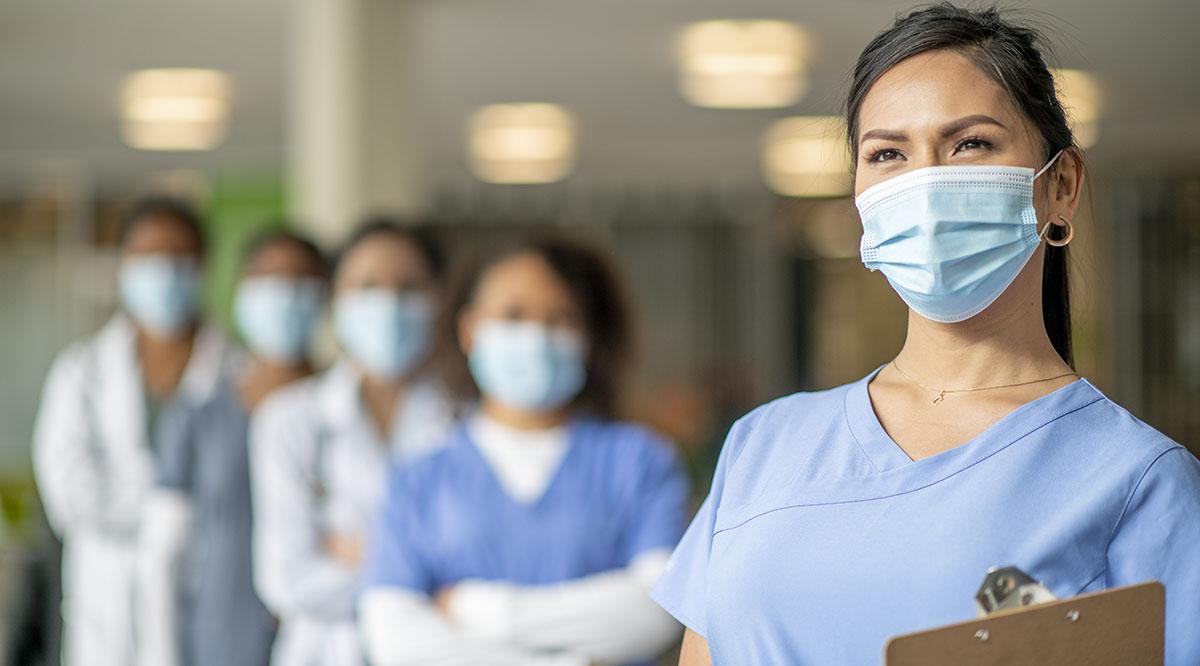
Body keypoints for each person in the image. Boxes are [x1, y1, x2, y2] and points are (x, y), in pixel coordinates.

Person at [653, 4, 1200, 665]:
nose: (925, 183)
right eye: (887, 153)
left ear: (1060, 185)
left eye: (970, 144)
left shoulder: (1137, 480)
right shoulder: (763, 446)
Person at [359, 235, 689, 665]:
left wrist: (477, 609)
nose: (535, 335)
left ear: (589, 337)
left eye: (561, 318)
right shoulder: (419, 477)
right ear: (469, 330)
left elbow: (657, 609)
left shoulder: (640, 462)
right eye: (513, 315)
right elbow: (394, 637)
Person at [32, 196, 238, 666]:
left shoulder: (235, 372)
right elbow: (70, 495)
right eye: (149, 256)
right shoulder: (81, 372)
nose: (164, 271)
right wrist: (174, 506)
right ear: (124, 265)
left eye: (179, 257)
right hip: (106, 600)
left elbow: (235, 499)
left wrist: (141, 497)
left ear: (204, 266)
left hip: (206, 597)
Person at [250, 219, 455, 666]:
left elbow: (479, 566)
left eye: (408, 287)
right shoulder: (289, 420)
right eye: (367, 286)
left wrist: (349, 549)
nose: (389, 304)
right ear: (335, 299)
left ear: (438, 299)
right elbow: (286, 581)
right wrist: (421, 576)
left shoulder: (463, 421)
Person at [136, 229, 330, 666]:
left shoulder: (341, 414)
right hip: (221, 637)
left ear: (325, 296)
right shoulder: (198, 418)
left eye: (300, 282)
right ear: (241, 291)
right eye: (267, 281)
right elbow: (161, 560)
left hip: (323, 636)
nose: (283, 297)